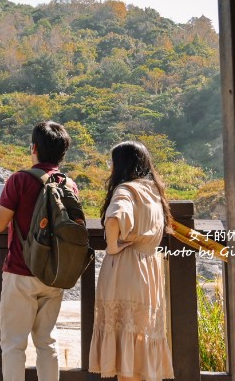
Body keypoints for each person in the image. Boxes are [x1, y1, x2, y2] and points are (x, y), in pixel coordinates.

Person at [0, 120, 77, 381]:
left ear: (33, 147)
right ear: (62, 152)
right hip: (54, 274)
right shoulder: (69, 185)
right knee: (46, 342)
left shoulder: (20, 180)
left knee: (14, 345)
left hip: (21, 272)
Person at [88, 140, 175, 381]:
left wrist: (113, 246)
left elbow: (115, 218)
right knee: (141, 339)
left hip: (126, 270)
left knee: (124, 344)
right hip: (149, 270)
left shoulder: (125, 190)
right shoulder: (154, 193)